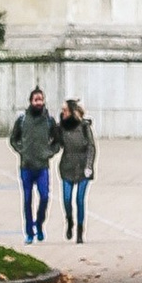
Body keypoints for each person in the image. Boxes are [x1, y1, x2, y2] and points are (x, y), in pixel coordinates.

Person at [10, 85, 58, 241]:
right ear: (30, 101)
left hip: (42, 167)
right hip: (26, 167)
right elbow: (13, 139)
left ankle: (39, 224)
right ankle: (29, 232)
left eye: (41, 99)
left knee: (44, 197)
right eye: (36, 99)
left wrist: (49, 152)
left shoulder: (49, 121)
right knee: (27, 199)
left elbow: (57, 141)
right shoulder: (23, 120)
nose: (39, 102)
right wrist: (22, 150)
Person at [55, 96, 96, 241]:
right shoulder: (61, 127)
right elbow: (56, 144)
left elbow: (91, 146)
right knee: (66, 199)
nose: (63, 112)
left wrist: (89, 166)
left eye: (65, 110)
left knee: (79, 199)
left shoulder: (84, 127)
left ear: (72, 111)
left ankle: (80, 229)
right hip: (67, 166)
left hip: (83, 166)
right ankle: (69, 220)